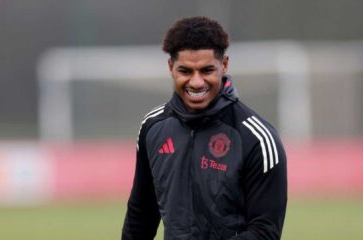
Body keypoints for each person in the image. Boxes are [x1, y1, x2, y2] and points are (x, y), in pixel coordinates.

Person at [122, 16, 287, 240]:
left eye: (207, 70)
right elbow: (141, 215)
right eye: (186, 71)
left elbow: (265, 232)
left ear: (224, 65)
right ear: (171, 67)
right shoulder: (153, 127)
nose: (197, 82)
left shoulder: (257, 138)